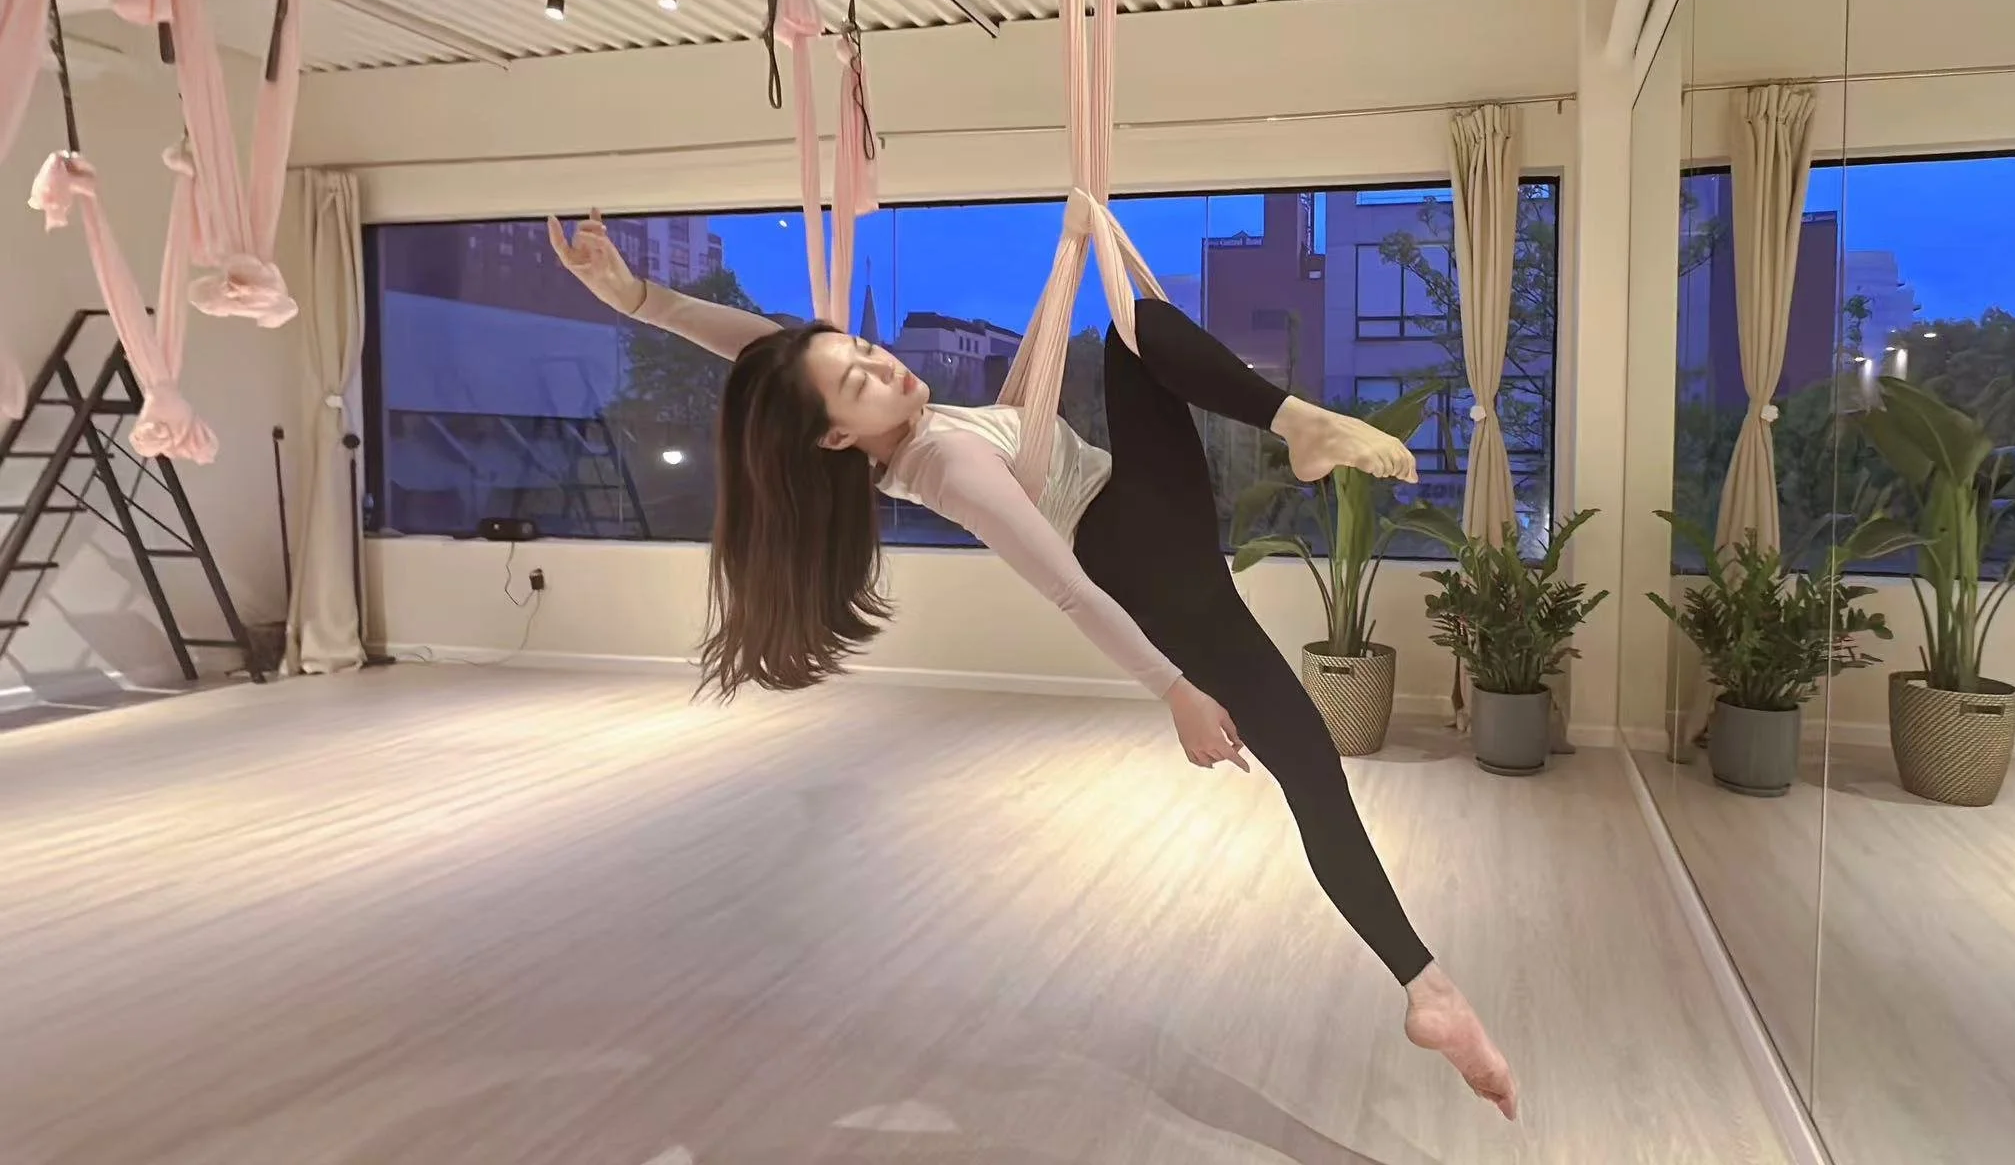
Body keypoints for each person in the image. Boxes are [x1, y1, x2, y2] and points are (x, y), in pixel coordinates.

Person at [548, 211, 1517, 1119]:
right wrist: (1171, 690)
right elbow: (1066, 589)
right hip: (1134, 540)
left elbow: (759, 352)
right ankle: (1425, 984)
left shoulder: (889, 422)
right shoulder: (946, 465)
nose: (882, 365)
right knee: (1141, 337)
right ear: (841, 436)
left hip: (1140, 518)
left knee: (1144, 341)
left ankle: (1427, 988)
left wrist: (638, 296)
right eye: (859, 381)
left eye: (867, 351)